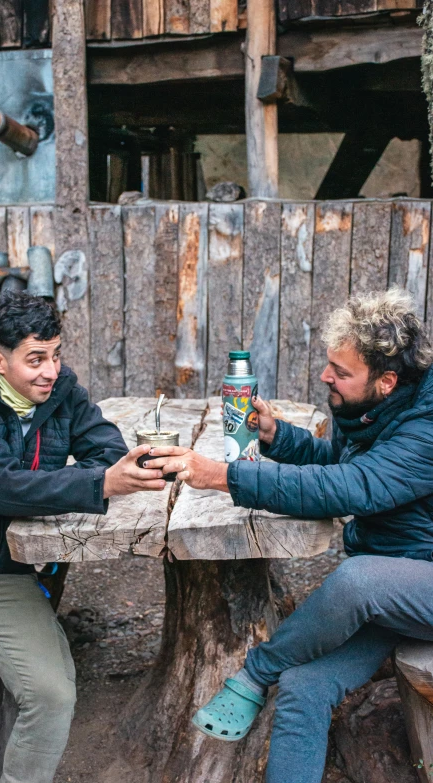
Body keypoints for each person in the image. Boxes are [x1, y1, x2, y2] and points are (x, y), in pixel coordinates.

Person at [149, 287, 433, 783]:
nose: (326, 376)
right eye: (330, 364)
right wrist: (279, 437)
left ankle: (255, 672)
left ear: (387, 380)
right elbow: (348, 465)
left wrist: (222, 475)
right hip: (401, 583)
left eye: (340, 372)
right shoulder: (372, 408)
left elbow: (354, 486)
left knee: (355, 581)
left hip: (409, 581)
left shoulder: (426, 428)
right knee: (303, 686)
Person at [0, 291, 166, 783]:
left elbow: (104, 445)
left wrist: (101, 473)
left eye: (56, 354)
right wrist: (97, 483)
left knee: (52, 694)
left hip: (7, 575)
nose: (50, 370)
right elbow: (0, 486)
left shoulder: (61, 389)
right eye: (35, 360)